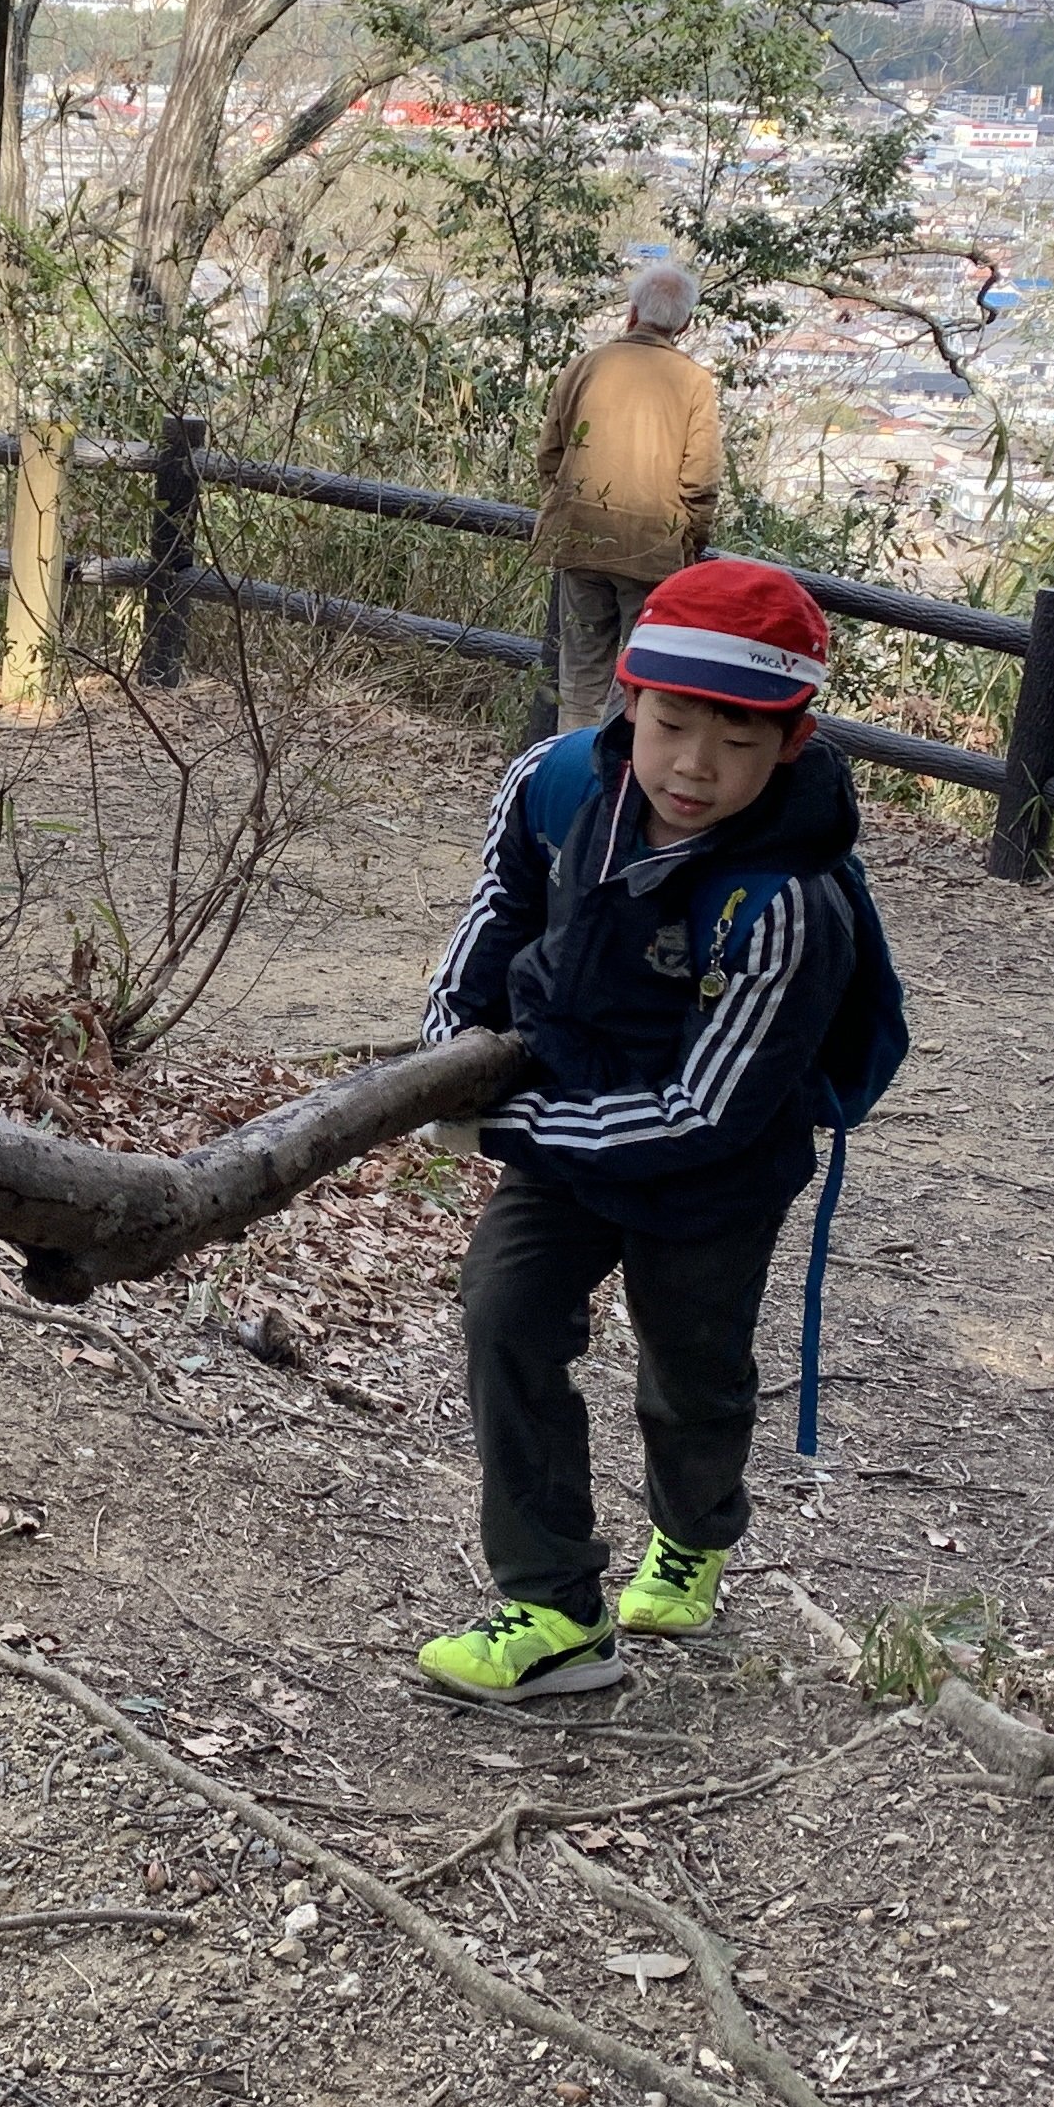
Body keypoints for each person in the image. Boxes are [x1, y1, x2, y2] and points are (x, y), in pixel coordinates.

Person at [411, 557, 905, 1700]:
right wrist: (448, 1060)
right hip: (570, 1114)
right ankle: (552, 1607)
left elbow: (704, 1111)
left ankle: (692, 1530)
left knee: (691, 1368)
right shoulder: (553, 783)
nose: (694, 766)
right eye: (672, 724)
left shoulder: (784, 903)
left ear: (789, 744)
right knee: (505, 1312)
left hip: (715, 1170)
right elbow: (499, 912)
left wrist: (506, 1126)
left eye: (737, 743)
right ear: (628, 698)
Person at [532, 261, 723, 731]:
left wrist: (564, 509)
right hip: (652, 549)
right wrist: (691, 543)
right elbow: (699, 480)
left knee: (579, 674)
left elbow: (549, 455)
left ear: (631, 312)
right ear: (686, 323)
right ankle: (627, 774)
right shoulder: (694, 382)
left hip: (580, 539)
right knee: (646, 674)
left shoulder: (586, 365)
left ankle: (573, 772)